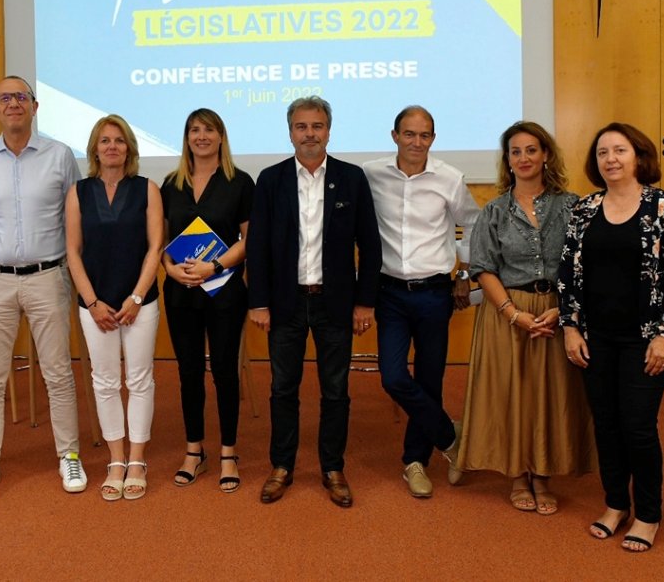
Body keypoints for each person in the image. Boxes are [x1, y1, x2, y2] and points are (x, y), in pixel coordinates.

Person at [558, 122, 664, 552]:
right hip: (594, 337)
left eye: (620, 150)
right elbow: (568, 275)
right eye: (602, 153)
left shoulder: (663, 207)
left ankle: (648, 514)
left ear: (639, 156)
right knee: (608, 425)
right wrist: (571, 327)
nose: (611, 159)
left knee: (637, 426)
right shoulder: (584, 208)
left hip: (645, 339)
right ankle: (616, 504)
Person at [454, 121, 595, 514]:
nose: (524, 158)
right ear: (508, 161)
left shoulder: (573, 206)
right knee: (512, 395)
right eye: (515, 152)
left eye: (531, 149)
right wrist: (513, 314)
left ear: (545, 154)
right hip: (507, 314)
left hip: (557, 313)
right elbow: (483, 269)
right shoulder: (494, 212)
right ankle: (518, 475)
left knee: (551, 396)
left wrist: (562, 310)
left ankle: (544, 475)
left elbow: (583, 265)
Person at [247, 97, 382, 508]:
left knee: (336, 391)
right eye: (302, 126)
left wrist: (365, 302)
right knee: (283, 388)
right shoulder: (270, 180)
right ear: (290, 132)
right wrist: (258, 301)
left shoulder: (352, 178)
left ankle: (332, 468)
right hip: (285, 303)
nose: (310, 133)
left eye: (318, 125)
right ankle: (282, 465)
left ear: (329, 130)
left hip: (335, 303)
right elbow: (258, 247)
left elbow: (370, 245)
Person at [0, 75, 86, 502]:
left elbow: (76, 220)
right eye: (5, 97)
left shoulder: (60, 156)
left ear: (35, 107)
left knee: (58, 373)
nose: (13, 103)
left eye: (22, 97)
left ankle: (68, 455)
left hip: (48, 277)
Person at [363, 105, 479, 499]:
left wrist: (464, 272)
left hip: (434, 292)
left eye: (425, 135)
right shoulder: (371, 175)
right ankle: (449, 435)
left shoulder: (449, 178)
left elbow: (474, 223)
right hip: (390, 292)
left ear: (433, 138)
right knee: (393, 376)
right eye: (409, 134)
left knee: (429, 379)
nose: (417, 142)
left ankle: (415, 462)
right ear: (394, 135)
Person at [66, 115, 162, 501]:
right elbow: (72, 250)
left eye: (119, 141)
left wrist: (137, 298)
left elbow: (156, 247)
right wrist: (92, 302)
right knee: (104, 382)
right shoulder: (78, 191)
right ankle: (116, 459)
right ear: (94, 149)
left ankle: (138, 460)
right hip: (95, 306)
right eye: (105, 140)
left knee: (139, 380)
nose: (112, 147)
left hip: (140, 303)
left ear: (129, 149)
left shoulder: (147, 189)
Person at [161, 109, 254, 494]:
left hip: (225, 292)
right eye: (195, 130)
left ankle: (229, 451)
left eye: (209, 130)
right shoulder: (169, 184)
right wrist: (170, 268)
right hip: (181, 292)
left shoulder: (240, 182)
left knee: (224, 371)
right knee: (187, 371)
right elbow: (160, 240)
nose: (202, 136)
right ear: (186, 137)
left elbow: (249, 240)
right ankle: (194, 449)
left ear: (221, 136)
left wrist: (214, 265)